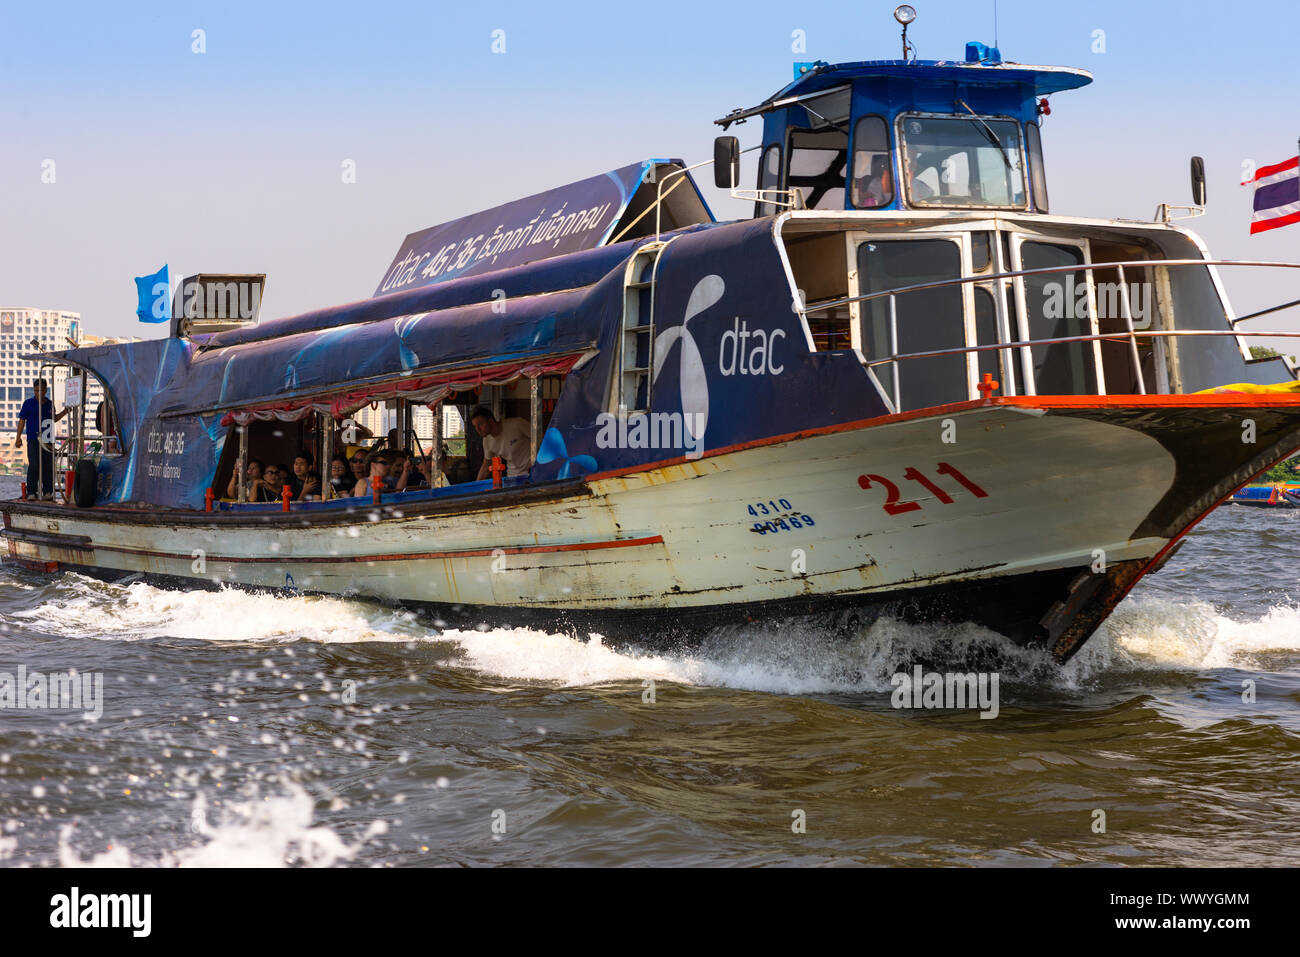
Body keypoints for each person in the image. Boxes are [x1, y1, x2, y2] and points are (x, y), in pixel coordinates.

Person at [13, 379, 68, 501]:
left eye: (42, 390)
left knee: (48, 465)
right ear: (34, 390)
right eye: (36, 390)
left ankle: (48, 491)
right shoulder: (28, 403)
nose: (39, 393)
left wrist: (64, 412)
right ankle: (32, 491)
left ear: (46, 390)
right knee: (34, 465)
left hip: (47, 439)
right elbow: (22, 420)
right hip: (33, 439)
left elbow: (54, 418)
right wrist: (18, 438)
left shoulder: (49, 403)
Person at [471, 406, 532, 481]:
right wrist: (476, 485)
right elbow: (486, 465)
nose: (478, 429)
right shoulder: (486, 441)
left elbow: (540, 439)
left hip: (532, 470)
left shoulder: (517, 424)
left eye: (480, 424)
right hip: (513, 475)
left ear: (491, 421)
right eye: (475, 426)